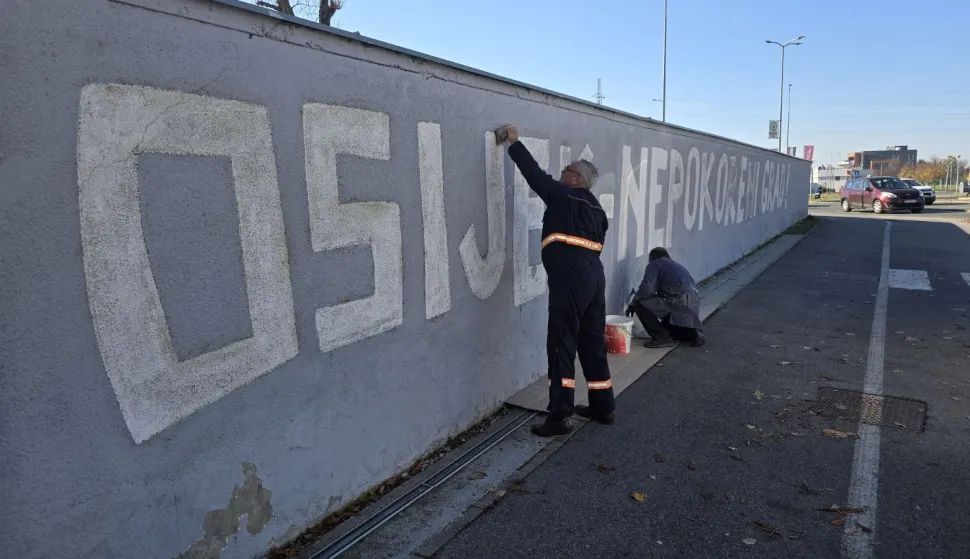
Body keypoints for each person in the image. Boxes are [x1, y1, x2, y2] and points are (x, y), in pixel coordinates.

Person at [501, 125, 615, 437]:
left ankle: (560, 415)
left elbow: (534, 175)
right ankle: (603, 407)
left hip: (570, 278)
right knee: (592, 342)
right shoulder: (597, 209)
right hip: (595, 277)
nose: (561, 173)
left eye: (565, 170)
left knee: (561, 344)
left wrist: (515, 143)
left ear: (575, 178)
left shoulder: (563, 195)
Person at [626, 247, 706, 348]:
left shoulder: (655, 264)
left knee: (640, 302)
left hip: (676, 302)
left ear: (652, 258)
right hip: (692, 305)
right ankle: (694, 333)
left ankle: (661, 337)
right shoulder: (677, 266)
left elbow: (646, 289)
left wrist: (633, 303)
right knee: (668, 327)